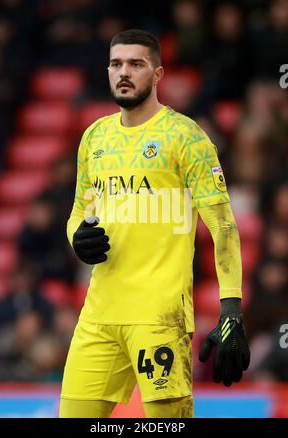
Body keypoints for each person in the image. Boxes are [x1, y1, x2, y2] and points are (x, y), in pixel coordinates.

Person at [59, 29, 250, 418]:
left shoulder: (186, 137)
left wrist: (231, 309)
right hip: (99, 315)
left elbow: (223, 226)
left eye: (136, 64)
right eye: (116, 64)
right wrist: (76, 237)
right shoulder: (94, 138)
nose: (123, 72)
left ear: (158, 74)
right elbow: (79, 210)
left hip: (159, 317)